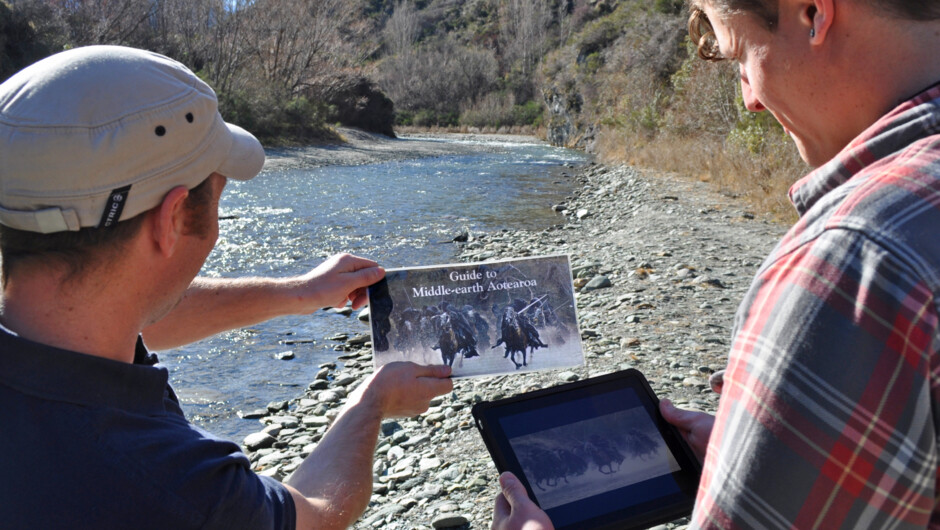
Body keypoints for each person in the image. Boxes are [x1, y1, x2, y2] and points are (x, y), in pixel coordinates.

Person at [493, 0, 940, 527]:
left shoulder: (851, 258)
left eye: (741, 56)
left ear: (814, 13)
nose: (749, 98)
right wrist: (765, 455)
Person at [0, 45, 454, 530]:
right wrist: (371, 404)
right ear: (171, 218)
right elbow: (319, 514)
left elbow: (123, 306)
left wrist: (298, 293)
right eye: (217, 198)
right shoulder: (178, 486)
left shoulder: (42, 325)